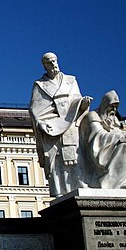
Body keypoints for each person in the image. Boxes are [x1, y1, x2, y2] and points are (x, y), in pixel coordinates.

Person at [29, 52, 91, 196]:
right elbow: (35, 108)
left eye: (54, 61)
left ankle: (79, 185)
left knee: (76, 155)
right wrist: (41, 123)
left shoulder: (71, 80)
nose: (53, 64)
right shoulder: (40, 85)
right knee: (57, 161)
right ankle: (60, 191)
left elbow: (76, 99)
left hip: (70, 125)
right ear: (44, 65)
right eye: (49, 62)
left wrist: (83, 103)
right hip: (52, 129)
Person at [80, 90, 126, 190]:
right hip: (97, 151)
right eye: (111, 106)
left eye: (116, 107)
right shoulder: (92, 116)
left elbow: (118, 132)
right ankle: (111, 181)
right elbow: (97, 136)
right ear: (105, 104)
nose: (114, 109)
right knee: (124, 145)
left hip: (110, 145)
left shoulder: (113, 120)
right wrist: (121, 137)